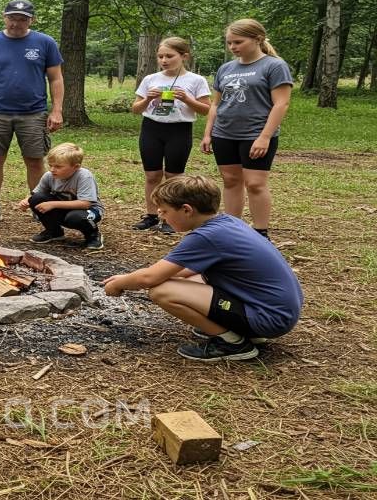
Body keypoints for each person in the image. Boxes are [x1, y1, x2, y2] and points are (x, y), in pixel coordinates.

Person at [103, 175, 303, 362]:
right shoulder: (227, 222)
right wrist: (131, 277)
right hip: (274, 309)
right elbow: (180, 272)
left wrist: (119, 284)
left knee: (162, 291)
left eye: (164, 211)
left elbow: (149, 278)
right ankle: (234, 328)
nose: (160, 216)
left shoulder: (207, 237)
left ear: (186, 210)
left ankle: (231, 343)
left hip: (268, 317)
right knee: (180, 280)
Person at [0, 0, 64, 226]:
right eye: (12, 18)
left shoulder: (45, 42)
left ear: (31, 20)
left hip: (33, 112)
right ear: (4, 17)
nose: (16, 23)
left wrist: (56, 110)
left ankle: (38, 205)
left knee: (34, 160)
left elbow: (56, 78)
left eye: (22, 19)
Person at [201, 19, 293, 240]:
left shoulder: (274, 66)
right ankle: (233, 229)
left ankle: (260, 233)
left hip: (255, 134)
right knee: (231, 181)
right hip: (224, 134)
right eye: (229, 43)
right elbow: (216, 104)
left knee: (255, 184)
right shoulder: (226, 68)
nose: (233, 47)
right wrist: (207, 133)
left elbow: (281, 104)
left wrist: (265, 137)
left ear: (257, 39)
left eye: (238, 42)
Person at [132, 37, 210, 235]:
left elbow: (206, 110)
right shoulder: (151, 79)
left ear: (184, 56)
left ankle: (171, 217)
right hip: (151, 128)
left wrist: (187, 99)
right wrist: (148, 98)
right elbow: (136, 109)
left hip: (179, 130)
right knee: (152, 175)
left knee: (174, 177)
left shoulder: (196, 80)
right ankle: (151, 215)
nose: (164, 60)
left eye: (169, 56)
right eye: (160, 56)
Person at [18, 143, 104, 250]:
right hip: (64, 208)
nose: (52, 169)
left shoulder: (84, 176)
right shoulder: (49, 176)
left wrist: (52, 204)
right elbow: (35, 194)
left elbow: (85, 204)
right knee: (36, 199)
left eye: (58, 167)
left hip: (89, 211)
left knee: (75, 217)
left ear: (76, 167)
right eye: (50, 165)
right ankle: (54, 232)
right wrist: (26, 201)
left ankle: (93, 235)